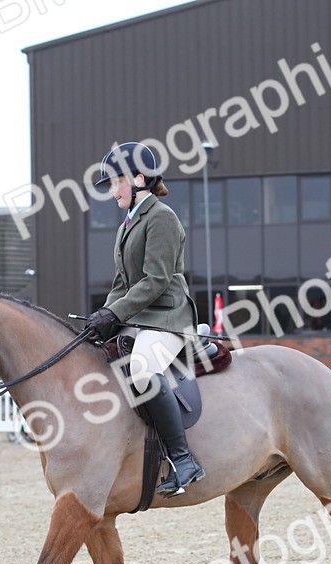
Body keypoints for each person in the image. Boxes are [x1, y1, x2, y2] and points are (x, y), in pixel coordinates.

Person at [86, 141, 204, 497]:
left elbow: (156, 280)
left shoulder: (162, 218)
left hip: (167, 315)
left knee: (141, 368)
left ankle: (184, 460)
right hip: (139, 315)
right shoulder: (126, 226)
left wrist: (116, 312)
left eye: (115, 181)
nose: (110, 190)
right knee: (95, 354)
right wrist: (101, 317)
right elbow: (122, 285)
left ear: (138, 179)